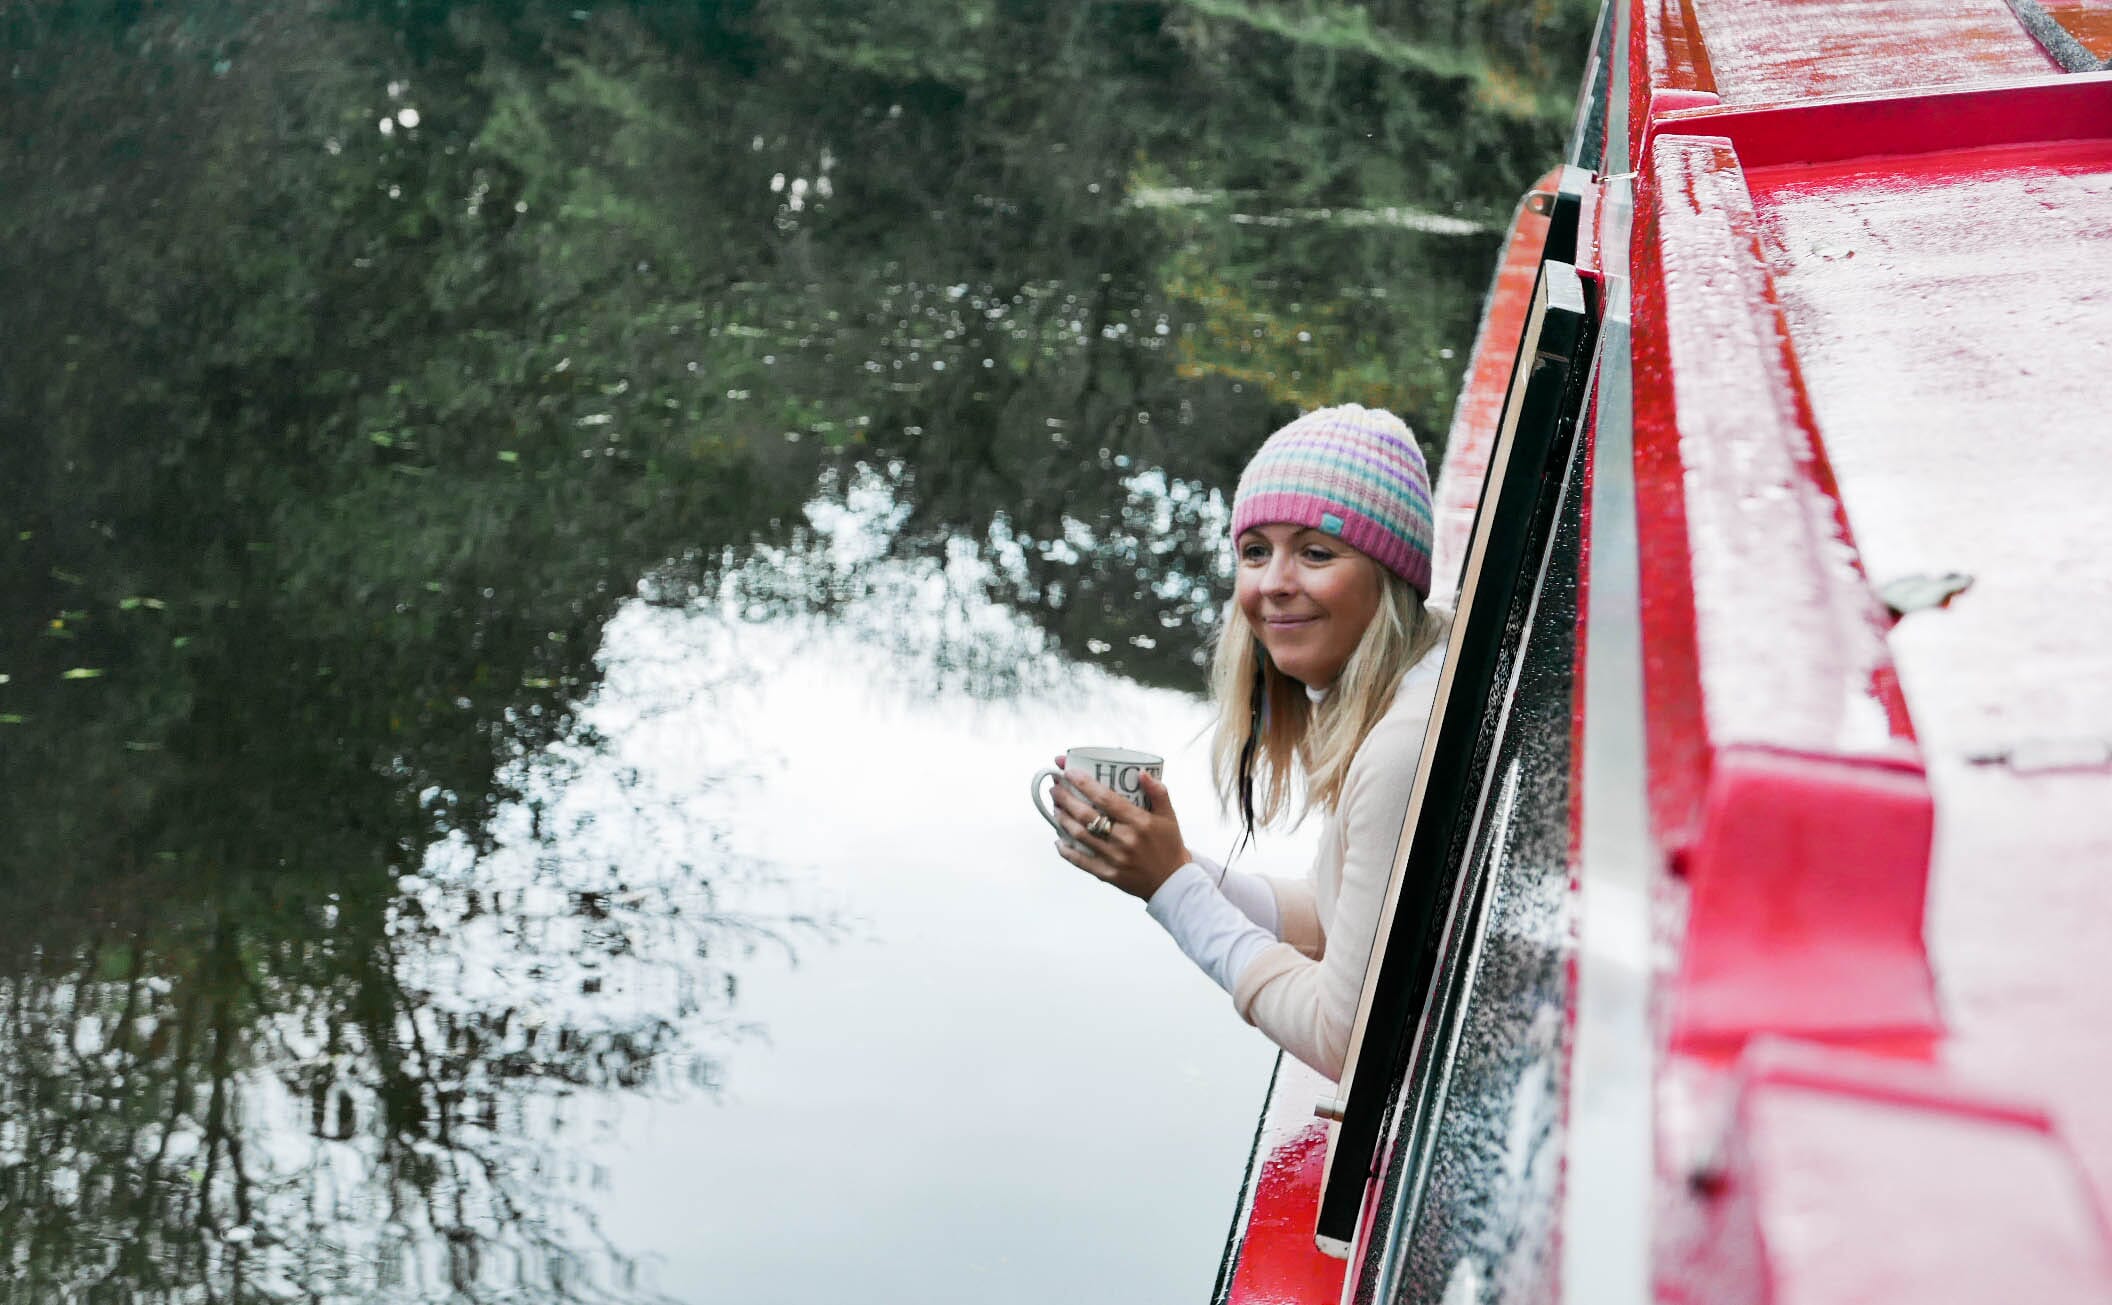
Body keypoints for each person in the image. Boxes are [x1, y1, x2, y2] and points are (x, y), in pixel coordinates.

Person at [1048, 404, 1448, 1081]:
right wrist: (1164, 859)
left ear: (1390, 576)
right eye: (1255, 550)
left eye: (1316, 551)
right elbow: (1332, 915)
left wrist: (1174, 890)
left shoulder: (1402, 744)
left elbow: (1344, 1038)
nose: (1273, 584)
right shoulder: (1409, 684)